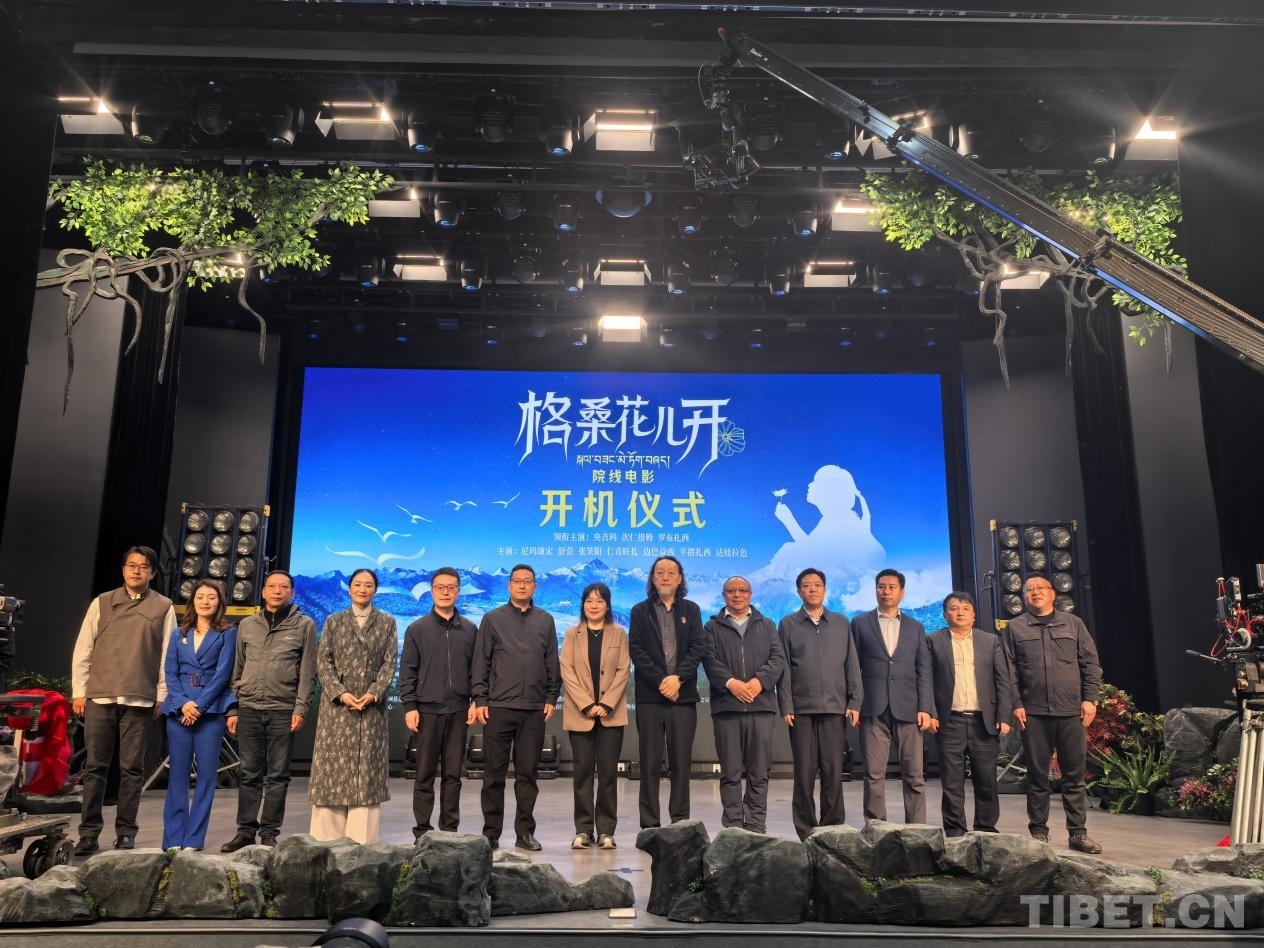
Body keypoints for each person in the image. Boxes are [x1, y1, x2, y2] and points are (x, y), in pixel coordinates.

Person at [71, 545, 176, 856]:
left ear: (152, 572)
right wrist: (79, 691)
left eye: (143, 566)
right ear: (123, 569)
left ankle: (127, 831)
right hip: (100, 694)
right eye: (131, 565)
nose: (136, 571)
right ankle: (88, 834)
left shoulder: (163, 606)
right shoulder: (103, 602)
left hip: (139, 697)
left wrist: (162, 693)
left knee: (132, 768)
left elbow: (168, 654)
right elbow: (84, 648)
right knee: (95, 767)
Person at [1003, 574, 1103, 854]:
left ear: (1053, 593)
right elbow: (1009, 671)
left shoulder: (1073, 624)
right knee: (1037, 776)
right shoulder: (1015, 627)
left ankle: (1078, 833)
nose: (1035, 592)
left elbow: (1091, 664)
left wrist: (1090, 699)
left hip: (1071, 711)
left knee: (1074, 775)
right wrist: (1015, 703)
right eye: (1029, 589)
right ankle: (1038, 832)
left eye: (1040, 588)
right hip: (1033, 712)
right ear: (1024, 596)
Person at [221, 570, 317, 852]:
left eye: (283, 587)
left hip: (283, 709)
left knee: (277, 775)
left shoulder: (304, 625)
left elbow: (308, 672)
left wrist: (301, 707)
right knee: (249, 773)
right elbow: (237, 668)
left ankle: (269, 832)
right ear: (263, 591)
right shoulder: (247, 624)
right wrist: (233, 708)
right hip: (249, 707)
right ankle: (245, 832)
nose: (277, 591)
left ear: (292, 592)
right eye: (272, 586)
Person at [471, 564, 561, 851]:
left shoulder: (545, 620)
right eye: (517, 581)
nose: (522, 586)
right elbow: (481, 662)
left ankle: (525, 833)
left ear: (535, 586)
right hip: (498, 707)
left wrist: (551, 697)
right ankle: (490, 834)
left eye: (527, 581)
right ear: (509, 585)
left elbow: (551, 661)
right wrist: (480, 699)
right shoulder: (492, 618)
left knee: (527, 775)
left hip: (534, 709)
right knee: (493, 776)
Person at [308, 568, 398, 844]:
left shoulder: (387, 622)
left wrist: (373, 693)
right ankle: (326, 843)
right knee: (332, 771)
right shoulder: (334, 621)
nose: (362, 589)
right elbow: (323, 662)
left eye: (368, 585)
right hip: (337, 709)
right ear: (349, 589)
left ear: (375, 590)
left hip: (371, 709)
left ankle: (363, 845)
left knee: (366, 774)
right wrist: (341, 693)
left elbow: (389, 663)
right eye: (357, 584)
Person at [776, 568, 862, 840]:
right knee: (804, 774)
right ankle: (806, 831)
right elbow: (784, 669)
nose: (812, 589)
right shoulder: (788, 624)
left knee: (833, 772)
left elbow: (851, 664)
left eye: (817, 585)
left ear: (825, 590)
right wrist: (786, 705)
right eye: (806, 585)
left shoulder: (841, 623)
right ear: (798, 591)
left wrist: (855, 700)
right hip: (801, 710)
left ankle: (832, 829)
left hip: (834, 708)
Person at [925, 591, 1013, 837]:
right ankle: (955, 833)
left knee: (986, 781)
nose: (960, 613)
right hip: (949, 721)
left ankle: (985, 830)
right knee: (952, 783)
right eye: (954, 608)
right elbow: (926, 680)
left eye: (965, 608)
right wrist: (930, 712)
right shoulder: (933, 641)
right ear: (945, 615)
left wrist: (1004, 716)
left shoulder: (991, 641)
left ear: (974, 615)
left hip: (983, 721)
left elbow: (1003, 680)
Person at [399, 567, 477, 838]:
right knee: (424, 774)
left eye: (451, 587)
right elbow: (408, 670)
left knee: (453, 775)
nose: (445, 592)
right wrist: (410, 706)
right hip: (427, 710)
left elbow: (477, 670)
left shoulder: (470, 629)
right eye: (440, 587)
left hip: (459, 710)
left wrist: (476, 700)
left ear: (458, 591)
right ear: (431, 591)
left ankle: (449, 829)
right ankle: (422, 830)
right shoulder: (417, 629)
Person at [627, 555, 705, 828]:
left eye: (671, 572)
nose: (665, 577)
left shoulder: (691, 610)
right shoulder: (640, 611)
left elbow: (697, 648)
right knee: (649, 763)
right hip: (650, 698)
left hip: (682, 698)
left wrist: (677, 679)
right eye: (659, 572)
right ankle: (649, 824)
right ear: (652, 578)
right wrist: (663, 681)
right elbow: (637, 650)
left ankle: (680, 822)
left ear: (680, 578)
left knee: (681, 763)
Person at [702, 576, 784, 833]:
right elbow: (709, 660)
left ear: (750, 594)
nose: (737, 595)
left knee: (760, 772)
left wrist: (759, 682)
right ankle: (734, 826)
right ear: (723, 595)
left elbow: (777, 658)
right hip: (727, 708)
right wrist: (731, 683)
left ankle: (756, 825)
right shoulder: (712, 627)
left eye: (742, 590)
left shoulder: (767, 625)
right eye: (731, 591)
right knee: (730, 772)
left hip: (761, 707)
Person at [160, 578, 238, 850]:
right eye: (200, 596)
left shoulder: (228, 633)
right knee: (177, 775)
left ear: (219, 602)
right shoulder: (178, 633)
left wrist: (199, 706)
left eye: (211, 597)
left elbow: (222, 675)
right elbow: (170, 672)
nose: (205, 601)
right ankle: (173, 838)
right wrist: (183, 703)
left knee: (206, 776)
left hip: (211, 711)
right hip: (178, 710)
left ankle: (194, 839)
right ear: (193, 600)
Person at [851, 568, 933, 824]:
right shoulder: (860, 623)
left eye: (891, 587)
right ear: (875, 589)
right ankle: (876, 827)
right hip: (872, 707)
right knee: (873, 775)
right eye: (881, 586)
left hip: (909, 709)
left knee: (914, 775)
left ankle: (917, 830)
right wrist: (854, 703)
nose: (886, 591)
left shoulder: (915, 627)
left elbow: (923, 670)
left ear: (902, 592)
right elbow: (853, 668)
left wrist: (926, 708)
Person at [560, 582, 630, 850]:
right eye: (589, 600)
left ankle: (606, 831)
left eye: (599, 601)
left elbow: (623, 670)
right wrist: (587, 704)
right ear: (583, 605)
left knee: (608, 774)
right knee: (582, 774)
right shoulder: (572, 634)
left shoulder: (618, 634)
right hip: (581, 714)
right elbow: (567, 671)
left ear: (608, 606)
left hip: (611, 715)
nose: (594, 605)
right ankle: (583, 830)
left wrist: (607, 704)